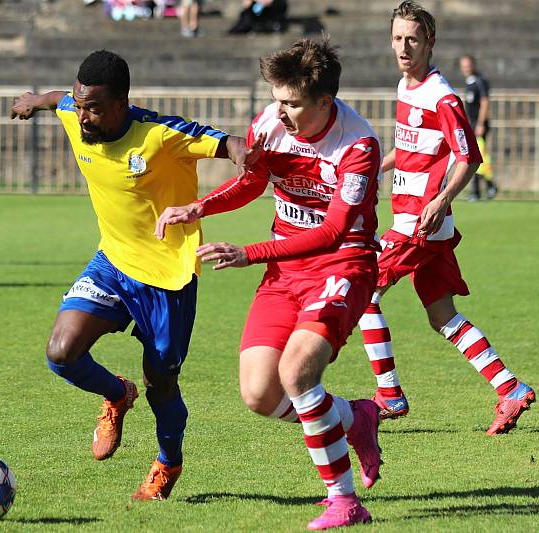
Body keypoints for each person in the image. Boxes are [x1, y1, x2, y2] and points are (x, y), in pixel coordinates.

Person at [156, 38, 383, 530]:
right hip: (285, 273)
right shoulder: (269, 124)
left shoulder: (358, 145)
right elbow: (253, 181)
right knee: (260, 393)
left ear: (325, 103)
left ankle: (344, 501)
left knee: (298, 373)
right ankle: (356, 417)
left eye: (291, 103)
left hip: (343, 265)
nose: (278, 112)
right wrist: (199, 207)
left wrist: (248, 253)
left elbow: (332, 232)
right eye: (276, 99)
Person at [10, 50, 256, 500]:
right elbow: (54, 100)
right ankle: (117, 395)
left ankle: (167, 462)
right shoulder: (73, 111)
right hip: (113, 263)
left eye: (95, 107)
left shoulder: (160, 135)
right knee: (61, 353)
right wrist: (29, 100)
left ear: (123, 103)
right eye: (81, 105)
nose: (84, 116)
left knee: (161, 382)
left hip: (168, 278)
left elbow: (223, 142)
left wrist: (243, 151)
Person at [356, 2, 535, 433]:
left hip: (419, 223)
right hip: (419, 222)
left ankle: (390, 394)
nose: (403, 46)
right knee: (443, 317)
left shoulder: (443, 96)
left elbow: (468, 156)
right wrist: (370, 170)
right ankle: (509, 388)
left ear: (429, 42)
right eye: (398, 38)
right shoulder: (405, 86)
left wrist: (440, 200)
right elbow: (411, 147)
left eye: (412, 39)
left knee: (363, 293)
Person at [460, 54, 498, 201]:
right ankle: (489, 187)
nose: (466, 69)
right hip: (472, 126)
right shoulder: (469, 81)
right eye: (463, 66)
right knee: (478, 157)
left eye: (468, 65)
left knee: (478, 158)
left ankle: (478, 190)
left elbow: (485, 102)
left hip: (479, 126)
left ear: (473, 65)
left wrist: (481, 124)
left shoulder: (480, 81)